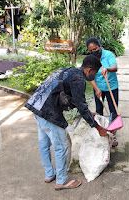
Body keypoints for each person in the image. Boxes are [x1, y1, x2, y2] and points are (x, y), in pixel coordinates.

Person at [25, 55, 108, 191]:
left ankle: (50, 174)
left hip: (36, 106)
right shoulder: (79, 79)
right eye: (93, 74)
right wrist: (98, 127)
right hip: (49, 112)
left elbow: (68, 96)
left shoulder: (69, 71)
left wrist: (87, 112)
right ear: (89, 70)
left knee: (44, 144)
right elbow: (81, 106)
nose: (93, 77)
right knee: (61, 147)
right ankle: (62, 181)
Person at [86, 37, 119, 147]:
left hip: (111, 87)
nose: (93, 52)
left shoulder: (108, 55)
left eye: (95, 49)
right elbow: (90, 76)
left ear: (99, 46)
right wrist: (96, 89)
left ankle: (113, 134)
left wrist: (107, 69)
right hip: (98, 88)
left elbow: (115, 67)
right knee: (99, 110)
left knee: (113, 110)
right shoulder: (90, 59)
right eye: (90, 50)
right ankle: (100, 132)